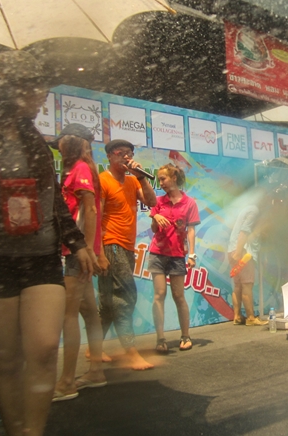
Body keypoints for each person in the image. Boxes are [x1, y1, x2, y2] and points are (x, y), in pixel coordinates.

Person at [0, 51, 94, 436]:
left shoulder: (34, 139)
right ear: (10, 88)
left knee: (44, 348)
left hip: (42, 257)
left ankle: (31, 432)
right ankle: (15, 427)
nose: (41, 99)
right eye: (36, 90)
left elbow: (53, 199)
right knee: (5, 361)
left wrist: (76, 242)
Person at [49, 124, 107, 401]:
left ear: (71, 142)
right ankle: (96, 371)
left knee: (69, 315)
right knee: (88, 312)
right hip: (78, 251)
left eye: (60, 143)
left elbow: (91, 209)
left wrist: (87, 249)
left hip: (77, 253)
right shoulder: (78, 169)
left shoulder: (81, 169)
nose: (58, 148)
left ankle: (66, 382)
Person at [98, 138, 157, 370]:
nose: (126, 157)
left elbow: (152, 202)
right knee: (125, 297)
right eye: (120, 153)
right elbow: (95, 217)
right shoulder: (102, 180)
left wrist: (141, 177)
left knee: (109, 301)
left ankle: (93, 348)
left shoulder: (133, 181)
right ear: (109, 156)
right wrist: (98, 252)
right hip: (110, 244)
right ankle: (131, 353)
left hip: (127, 247)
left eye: (129, 153)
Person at [148, 163, 200, 353]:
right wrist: (155, 218)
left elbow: (191, 230)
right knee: (159, 294)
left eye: (163, 179)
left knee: (179, 296)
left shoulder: (189, 203)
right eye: (159, 179)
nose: (160, 183)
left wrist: (192, 254)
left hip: (177, 254)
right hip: (157, 252)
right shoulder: (158, 201)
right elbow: (154, 229)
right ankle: (160, 338)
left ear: (174, 178)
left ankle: (185, 336)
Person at [228, 204, 267, 326]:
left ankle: (237, 316)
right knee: (247, 285)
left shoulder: (245, 209)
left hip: (232, 249)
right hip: (244, 253)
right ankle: (250, 317)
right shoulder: (254, 211)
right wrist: (239, 251)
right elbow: (244, 231)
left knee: (238, 285)